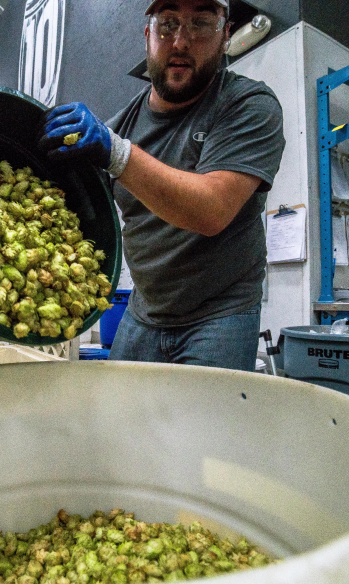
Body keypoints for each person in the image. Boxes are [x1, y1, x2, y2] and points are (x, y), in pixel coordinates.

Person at [37, 0, 286, 372]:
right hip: (145, 311)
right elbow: (76, 216)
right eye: (168, 24)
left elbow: (212, 210)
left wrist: (117, 154)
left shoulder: (247, 104)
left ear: (225, 36)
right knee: (123, 407)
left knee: (201, 412)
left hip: (220, 313)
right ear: (147, 36)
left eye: (200, 24)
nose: (181, 42)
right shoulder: (121, 126)